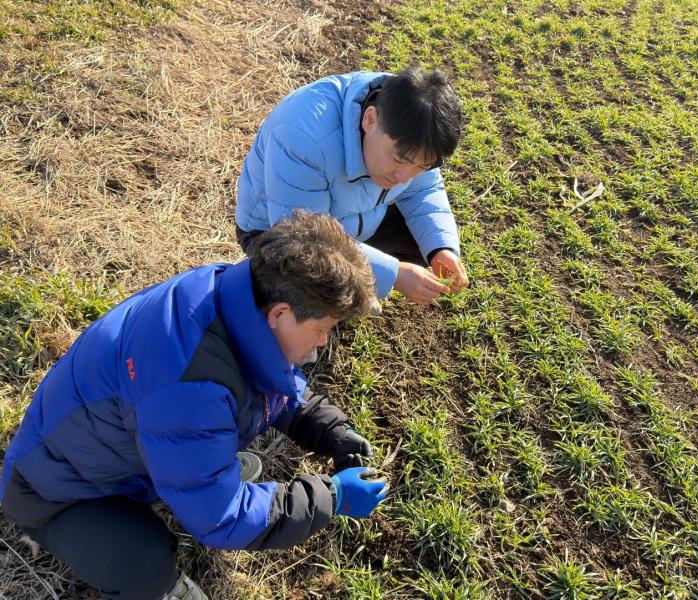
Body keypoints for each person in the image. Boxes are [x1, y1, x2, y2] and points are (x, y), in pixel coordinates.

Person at [0, 212, 390, 600]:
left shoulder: (235, 293)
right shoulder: (188, 389)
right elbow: (223, 518)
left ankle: (198, 469)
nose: (324, 342)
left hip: (116, 439)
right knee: (143, 563)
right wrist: (332, 497)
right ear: (281, 315)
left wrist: (329, 429)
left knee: (197, 459)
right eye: (321, 329)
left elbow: (271, 377)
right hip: (50, 490)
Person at [235, 66, 470, 307]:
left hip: (355, 219)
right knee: (309, 277)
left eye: (422, 166)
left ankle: (358, 281)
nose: (404, 178)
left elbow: (423, 191)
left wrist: (441, 249)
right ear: (370, 119)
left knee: (424, 240)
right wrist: (393, 273)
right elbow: (302, 237)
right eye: (399, 160)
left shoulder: (415, 123)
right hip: (278, 231)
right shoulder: (303, 136)